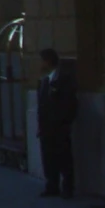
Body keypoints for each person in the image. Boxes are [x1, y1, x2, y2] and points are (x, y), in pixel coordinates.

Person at [37, 47, 79, 197]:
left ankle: (68, 187)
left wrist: (64, 122)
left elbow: (70, 103)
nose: (39, 64)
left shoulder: (63, 79)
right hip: (46, 128)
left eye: (41, 60)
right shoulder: (44, 80)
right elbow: (42, 106)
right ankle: (52, 185)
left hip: (59, 127)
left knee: (64, 158)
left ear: (48, 61)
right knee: (48, 157)